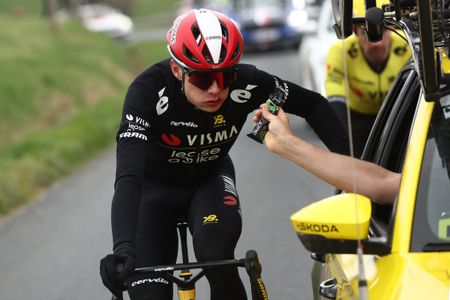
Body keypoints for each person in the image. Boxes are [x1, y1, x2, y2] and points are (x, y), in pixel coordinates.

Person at [99, 8, 350, 300]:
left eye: (226, 75)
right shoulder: (146, 93)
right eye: (203, 80)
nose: (217, 89)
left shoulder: (247, 82)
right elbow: (128, 176)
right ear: (178, 69)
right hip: (153, 192)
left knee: (216, 255)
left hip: (210, 182)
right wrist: (123, 249)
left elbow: (314, 105)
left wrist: (353, 176)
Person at [253, 103, 400, 205]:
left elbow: (382, 184)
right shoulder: (415, 186)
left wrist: (286, 143)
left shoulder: (414, 187)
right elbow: (383, 183)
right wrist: (285, 142)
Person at [325, 0, 411, 157]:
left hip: (398, 115)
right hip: (359, 117)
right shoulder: (340, 52)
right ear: (355, 31)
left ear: (392, 27)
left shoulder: (408, 46)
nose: (376, 42)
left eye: (382, 31)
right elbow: (336, 103)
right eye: (366, 32)